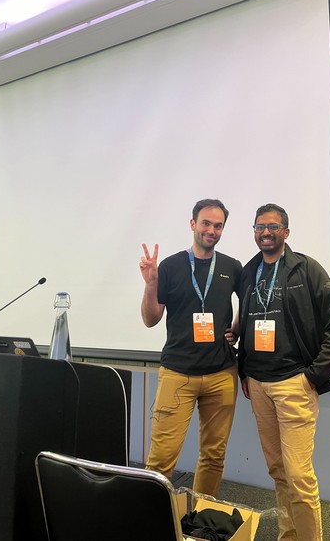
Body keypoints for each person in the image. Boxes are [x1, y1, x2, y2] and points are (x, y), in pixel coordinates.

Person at [237, 203, 330, 541]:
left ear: (286, 232)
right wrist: (244, 367)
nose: (266, 232)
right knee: (278, 471)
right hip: (257, 384)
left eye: (273, 226)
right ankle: (289, 537)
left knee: (299, 475)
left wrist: (313, 376)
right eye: (259, 227)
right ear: (254, 232)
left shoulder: (307, 269)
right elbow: (247, 319)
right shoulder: (248, 271)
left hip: (294, 384)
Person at [139, 198, 242, 497]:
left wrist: (235, 330)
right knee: (160, 461)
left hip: (221, 374)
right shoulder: (170, 266)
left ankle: (201, 518)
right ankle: (151, 521)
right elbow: (150, 319)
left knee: (213, 458)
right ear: (193, 224)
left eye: (218, 225)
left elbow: (249, 304)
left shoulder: (231, 267)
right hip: (177, 374)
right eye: (206, 223)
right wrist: (150, 285)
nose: (211, 230)